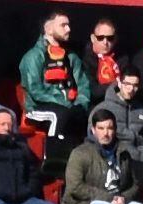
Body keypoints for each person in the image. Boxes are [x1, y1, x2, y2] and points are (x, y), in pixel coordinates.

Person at [62, 101, 143, 204]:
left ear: (115, 129)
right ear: (93, 130)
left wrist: (123, 198)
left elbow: (135, 184)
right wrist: (109, 198)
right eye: (101, 128)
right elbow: (75, 187)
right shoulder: (80, 153)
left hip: (117, 202)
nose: (106, 133)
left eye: (110, 128)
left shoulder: (124, 152)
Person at [17, 8, 90, 140]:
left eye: (68, 25)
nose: (68, 29)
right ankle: (53, 156)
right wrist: (64, 102)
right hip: (36, 109)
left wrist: (80, 104)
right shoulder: (33, 57)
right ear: (48, 28)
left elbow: (83, 85)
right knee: (59, 115)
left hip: (69, 106)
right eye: (63, 25)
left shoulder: (72, 57)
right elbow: (35, 90)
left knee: (88, 115)